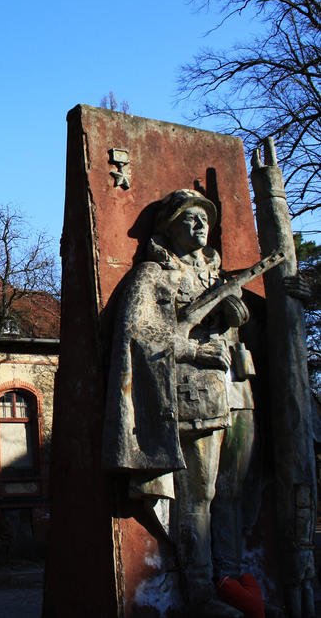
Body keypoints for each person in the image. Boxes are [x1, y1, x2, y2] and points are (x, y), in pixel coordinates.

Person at [103, 189, 257, 617]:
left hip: (231, 395)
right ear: (168, 229)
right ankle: (202, 591)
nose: (199, 225)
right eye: (188, 219)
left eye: (203, 219)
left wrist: (232, 310)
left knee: (230, 492)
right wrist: (192, 350)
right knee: (199, 497)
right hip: (186, 399)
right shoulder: (153, 274)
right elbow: (138, 332)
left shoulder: (213, 276)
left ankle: (231, 579)